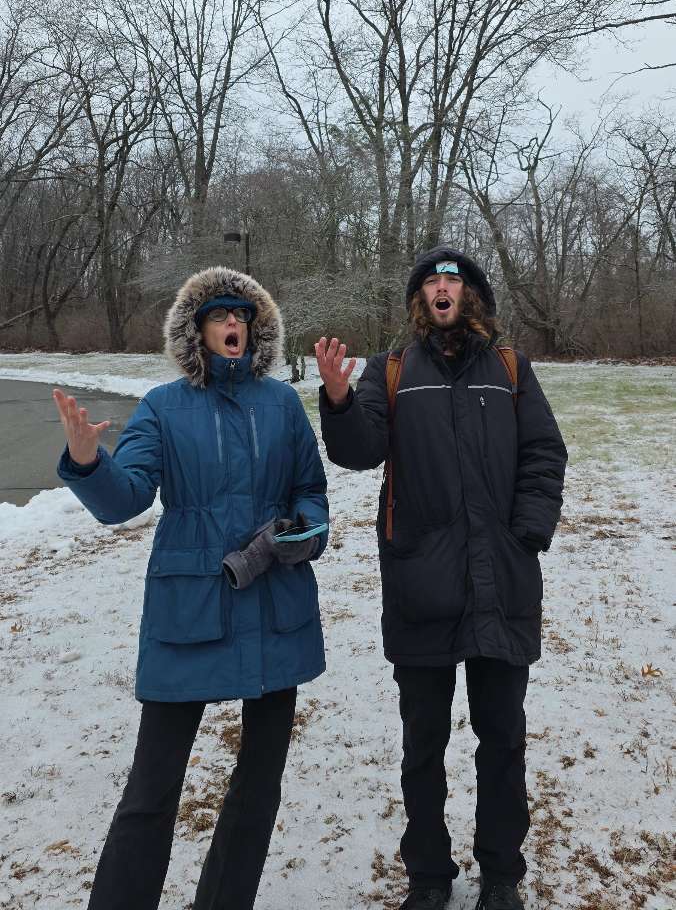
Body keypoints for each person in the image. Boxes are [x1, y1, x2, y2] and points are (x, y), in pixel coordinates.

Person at [54, 265, 329, 910]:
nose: (233, 324)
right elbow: (125, 499)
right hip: (192, 607)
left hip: (273, 602)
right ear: (196, 331)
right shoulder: (163, 406)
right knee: (153, 788)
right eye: (219, 316)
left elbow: (309, 490)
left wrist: (306, 531)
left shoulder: (282, 403)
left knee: (259, 785)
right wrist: (88, 461)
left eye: (242, 316)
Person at [315, 246, 567, 910]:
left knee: (502, 738)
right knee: (422, 741)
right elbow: (361, 452)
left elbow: (544, 450)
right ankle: (428, 876)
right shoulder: (392, 371)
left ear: (473, 293)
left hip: (501, 583)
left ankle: (502, 875)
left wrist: (528, 532)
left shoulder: (510, 368)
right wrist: (339, 401)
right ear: (418, 299)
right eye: (430, 279)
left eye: (452, 278)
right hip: (420, 583)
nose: (441, 286)